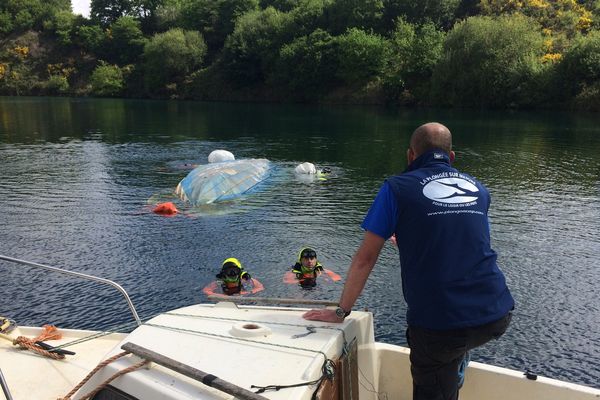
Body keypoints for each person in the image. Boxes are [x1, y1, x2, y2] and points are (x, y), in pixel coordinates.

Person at [303, 122, 514, 400]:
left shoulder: (396, 188)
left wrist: (341, 311)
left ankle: (452, 366)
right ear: (451, 157)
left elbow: (365, 259)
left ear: (410, 156)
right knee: (455, 347)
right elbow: (466, 240)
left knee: (440, 358)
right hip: (497, 313)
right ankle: (456, 364)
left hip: (440, 326)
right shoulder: (478, 188)